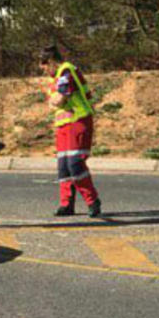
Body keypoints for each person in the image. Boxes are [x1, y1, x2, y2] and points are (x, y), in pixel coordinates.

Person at [40, 45, 102, 217]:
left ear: (51, 61)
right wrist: (54, 101)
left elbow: (59, 99)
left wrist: (55, 100)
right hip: (63, 125)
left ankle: (92, 200)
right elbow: (52, 103)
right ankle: (66, 204)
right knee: (63, 167)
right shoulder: (55, 79)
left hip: (78, 120)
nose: (43, 70)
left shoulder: (66, 71)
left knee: (75, 163)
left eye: (44, 65)